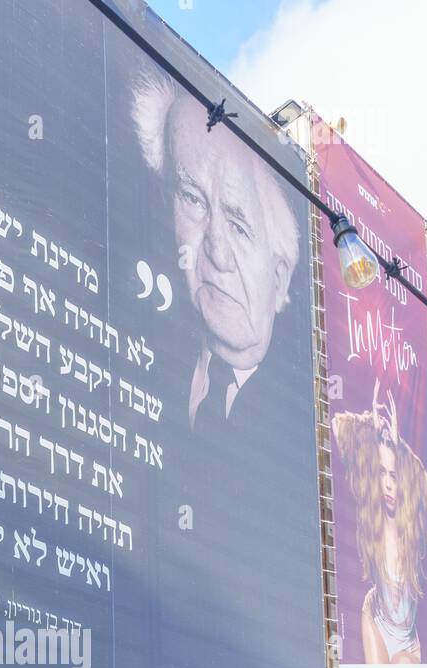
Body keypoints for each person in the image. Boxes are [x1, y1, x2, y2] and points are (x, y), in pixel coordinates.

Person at [131, 79, 301, 441]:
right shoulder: (142, 365)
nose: (217, 252)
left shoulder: (297, 430)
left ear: (280, 278)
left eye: (239, 227)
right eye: (192, 199)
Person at [331, 379, 427, 664]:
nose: (388, 485)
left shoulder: (412, 531)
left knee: (401, 667)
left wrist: (398, 444)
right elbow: (337, 425)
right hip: (375, 620)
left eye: (394, 475)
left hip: (407, 643)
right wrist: (373, 428)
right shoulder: (372, 518)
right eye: (381, 473)